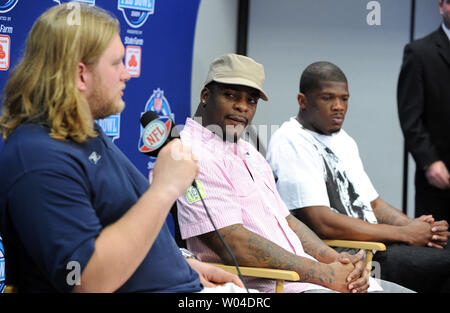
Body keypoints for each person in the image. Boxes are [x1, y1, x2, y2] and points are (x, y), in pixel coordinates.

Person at [0, 3, 246, 293]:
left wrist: (184, 265)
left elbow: (121, 231)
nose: (127, 74)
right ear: (81, 75)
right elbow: (86, 280)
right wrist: (165, 189)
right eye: (117, 63)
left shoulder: (83, 136)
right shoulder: (38, 157)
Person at [176, 53, 412, 293]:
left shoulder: (248, 152)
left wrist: (338, 262)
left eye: (252, 100)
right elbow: (233, 242)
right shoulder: (191, 154)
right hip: (272, 286)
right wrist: (323, 273)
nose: (243, 107)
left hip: (309, 279)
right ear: (206, 95)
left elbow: (288, 221)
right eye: (231, 95)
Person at [266, 61, 450, 293]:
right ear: (303, 101)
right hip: (353, 254)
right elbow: (322, 223)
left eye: (344, 99)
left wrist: (418, 228)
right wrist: (405, 233)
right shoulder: (290, 141)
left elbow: (373, 204)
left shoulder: (344, 140)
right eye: (327, 98)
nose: (338, 106)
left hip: (381, 245)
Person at [397, 0, 450, 223]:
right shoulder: (419, 52)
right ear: (441, 6)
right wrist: (430, 161)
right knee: (438, 251)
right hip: (439, 177)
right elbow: (411, 118)